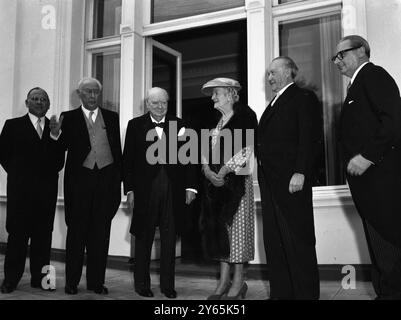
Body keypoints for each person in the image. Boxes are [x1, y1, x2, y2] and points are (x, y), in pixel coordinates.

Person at [333, 35, 401, 300]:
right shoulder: (355, 85)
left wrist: (368, 156)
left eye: (342, 54)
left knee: (388, 241)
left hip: (381, 178)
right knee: (377, 243)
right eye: (335, 58)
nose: (337, 61)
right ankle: (385, 293)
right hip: (368, 183)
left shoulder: (374, 75)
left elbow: (394, 120)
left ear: (361, 50)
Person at [49, 77, 122, 295]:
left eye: (95, 92)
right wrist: (54, 135)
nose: (92, 96)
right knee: (76, 237)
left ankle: (96, 283)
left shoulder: (112, 117)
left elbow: (116, 152)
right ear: (79, 94)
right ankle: (72, 282)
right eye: (87, 92)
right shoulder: (68, 117)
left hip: (105, 187)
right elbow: (59, 151)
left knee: (100, 237)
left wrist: (118, 185)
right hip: (79, 187)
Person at [123, 87, 197, 299]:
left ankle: (167, 286)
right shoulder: (135, 125)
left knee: (169, 237)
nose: (160, 106)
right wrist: (129, 189)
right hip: (145, 189)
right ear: (147, 104)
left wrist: (191, 187)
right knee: (144, 237)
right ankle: (142, 284)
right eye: (155, 103)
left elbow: (190, 159)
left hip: (173, 189)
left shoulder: (180, 125)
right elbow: (127, 161)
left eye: (164, 102)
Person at [257, 57, 321, 299]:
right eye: (268, 74)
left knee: (298, 241)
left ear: (288, 71)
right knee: (275, 243)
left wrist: (301, 171)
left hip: (292, 183)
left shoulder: (303, 97)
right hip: (271, 185)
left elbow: (309, 137)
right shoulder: (273, 103)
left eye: (273, 72)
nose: (269, 78)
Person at [0, 88, 64, 293]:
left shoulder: (55, 129)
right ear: (27, 102)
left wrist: (55, 137)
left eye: (43, 99)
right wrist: (20, 175)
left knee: (44, 238)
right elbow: (3, 155)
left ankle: (42, 279)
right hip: (20, 192)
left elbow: (58, 162)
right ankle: (10, 280)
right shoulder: (12, 125)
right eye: (35, 99)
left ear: (49, 104)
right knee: (17, 238)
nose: (39, 102)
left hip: (46, 193)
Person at [199, 78, 257, 300]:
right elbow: (203, 149)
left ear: (232, 94)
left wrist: (223, 171)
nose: (213, 97)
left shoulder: (245, 116)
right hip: (216, 186)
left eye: (218, 93)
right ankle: (223, 281)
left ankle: (239, 282)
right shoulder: (215, 120)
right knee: (221, 233)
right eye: (213, 94)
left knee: (238, 232)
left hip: (237, 183)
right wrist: (206, 170)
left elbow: (248, 148)